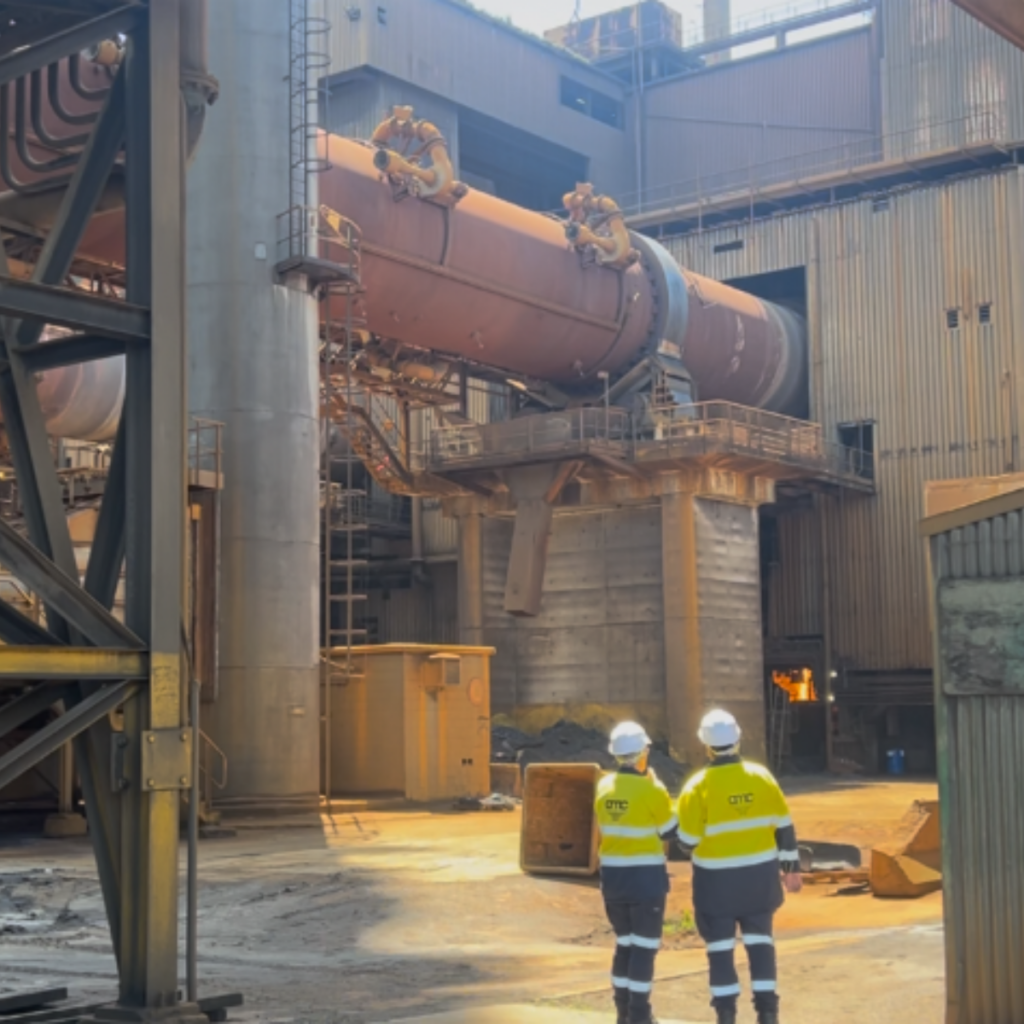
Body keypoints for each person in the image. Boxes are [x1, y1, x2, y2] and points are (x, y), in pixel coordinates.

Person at [676, 710, 802, 1024]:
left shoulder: (697, 786)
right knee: (761, 945)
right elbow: (784, 826)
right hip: (759, 881)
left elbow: (688, 840)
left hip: (716, 886)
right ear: (738, 738)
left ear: (706, 745)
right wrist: (791, 868)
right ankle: (768, 1014)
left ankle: (726, 1015)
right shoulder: (762, 777)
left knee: (719, 950)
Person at [594, 721, 678, 1024]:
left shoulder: (603, 786)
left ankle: (623, 1013)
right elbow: (670, 831)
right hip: (645, 880)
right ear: (642, 754)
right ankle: (640, 1016)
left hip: (613, 880)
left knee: (625, 944)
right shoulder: (652, 789)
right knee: (644, 948)